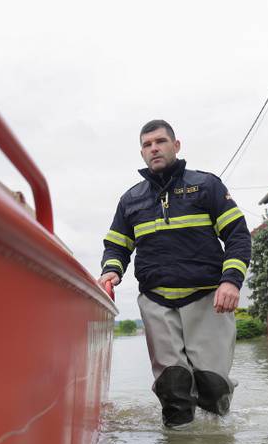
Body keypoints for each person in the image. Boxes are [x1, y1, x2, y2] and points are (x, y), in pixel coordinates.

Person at [98, 120, 251, 427]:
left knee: (212, 387)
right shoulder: (130, 200)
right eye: (147, 144)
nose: (154, 148)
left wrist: (231, 281)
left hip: (208, 300)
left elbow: (237, 235)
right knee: (173, 387)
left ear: (176, 145)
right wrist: (111, 270)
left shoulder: (207, 186)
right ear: (142, 153)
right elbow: (116, 245)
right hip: (157, 302)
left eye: (160, 141)